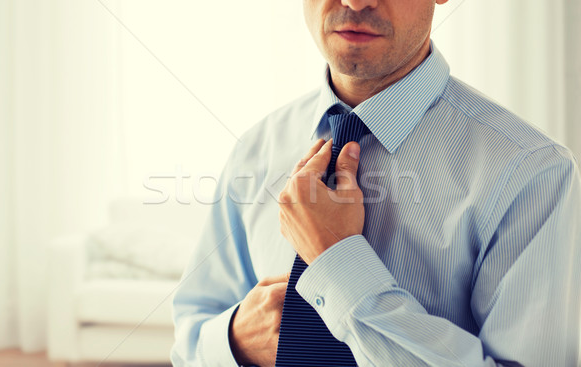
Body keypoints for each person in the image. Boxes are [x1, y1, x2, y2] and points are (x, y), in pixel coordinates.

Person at [171, 0, 581, 366]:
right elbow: (190, 337)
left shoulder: (533, 173)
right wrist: (234, 341)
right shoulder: (257, 146)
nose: (355, 1)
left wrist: (336, 259)